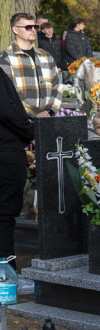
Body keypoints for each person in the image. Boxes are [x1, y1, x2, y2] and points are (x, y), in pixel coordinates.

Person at [0, 63, 33, 271]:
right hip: (6, 152)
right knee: (4, 217)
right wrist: (31, 132)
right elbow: (6, 109)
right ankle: (6, 277)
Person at [1, 13, 62, 118]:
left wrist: (49, 110)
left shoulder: (46, 56)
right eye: (28, 27)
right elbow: (10, 92)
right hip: (21, 123)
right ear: (15, 30)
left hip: (47, 120)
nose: (34, 30)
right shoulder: (5, 58)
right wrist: (35, 113)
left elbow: (57, 85)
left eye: (35, 27)